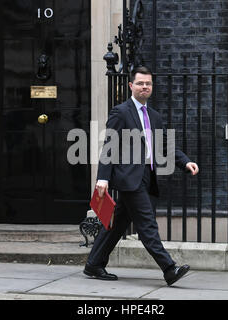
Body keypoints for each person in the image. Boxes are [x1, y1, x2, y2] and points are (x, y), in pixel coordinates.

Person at [84, 66, 199, 286]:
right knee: (147, 224)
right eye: (140, 83)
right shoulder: (121, 112)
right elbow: (110, 146)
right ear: (131, 86)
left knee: (117, 224)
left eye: (148, 84)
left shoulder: (153, 116)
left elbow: (165, 143)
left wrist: (185, 161)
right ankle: (169, 268)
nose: (144, 87)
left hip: (147, 176)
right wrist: (103, 178)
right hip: (129, 178)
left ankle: (94, 263)